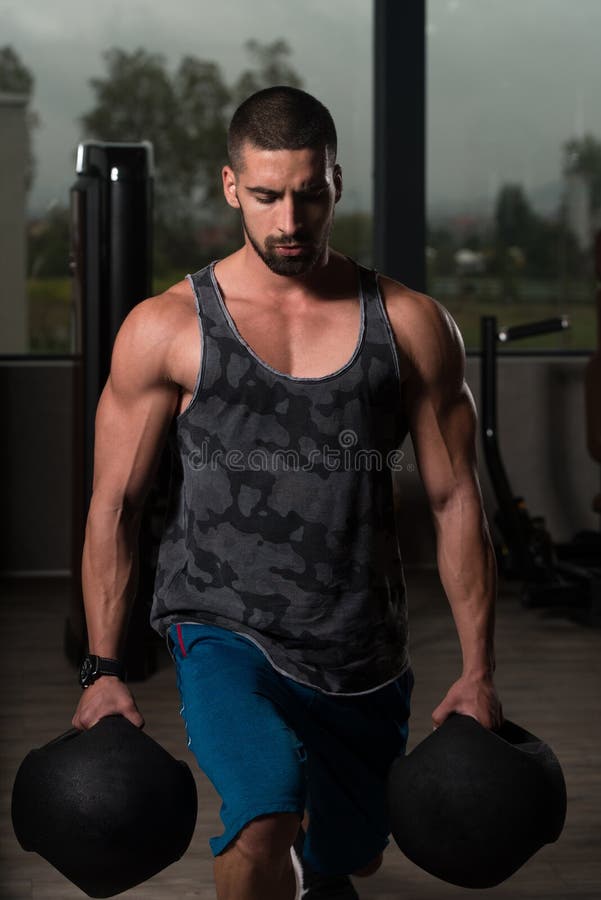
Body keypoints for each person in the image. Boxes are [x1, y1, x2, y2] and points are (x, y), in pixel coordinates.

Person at [72, 86, 503, 900]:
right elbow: (114, 506)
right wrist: (100, 666)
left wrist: (479, 668)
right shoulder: (168, 326)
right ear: (232, 185)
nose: (289, 220)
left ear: (336, 183)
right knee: (266, 810)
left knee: (353, 854)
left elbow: (454, 502)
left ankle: (319, 855)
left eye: (309, 194)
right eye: (267, 196)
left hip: (359, 646)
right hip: (220, 625)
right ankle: (281, 837)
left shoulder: (408, 324)